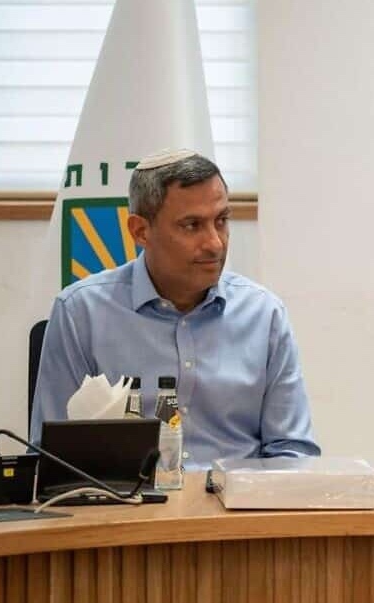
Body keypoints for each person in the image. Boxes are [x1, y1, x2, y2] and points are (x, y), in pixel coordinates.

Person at [30, 149, 320, 467]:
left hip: (235, 508)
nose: (215, 243)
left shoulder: (264, 315)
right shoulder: (81, 313)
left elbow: (292, 451)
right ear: (141, 231)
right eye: (192, 225)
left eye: (221, 221)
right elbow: (51, 456)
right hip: (129, 507)